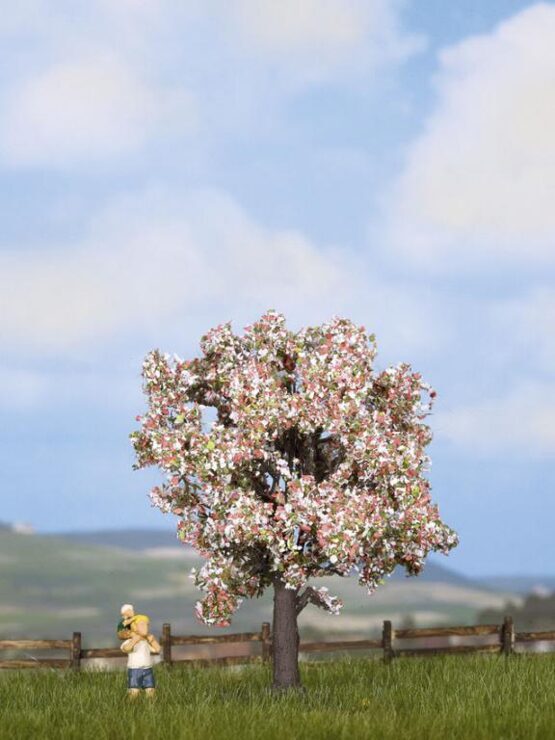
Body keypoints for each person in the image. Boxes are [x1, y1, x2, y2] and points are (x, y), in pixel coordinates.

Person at [117, 603, 159, 699]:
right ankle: (132, 708)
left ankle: (151, 707)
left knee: (151, 690)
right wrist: (134, 640)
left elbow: (157, 649)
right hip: (135, 669)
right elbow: (126, 648)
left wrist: (152, 639)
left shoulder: (145, 642)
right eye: (138, 625)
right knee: (134, 692)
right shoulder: (129, 641)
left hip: (147, 668)